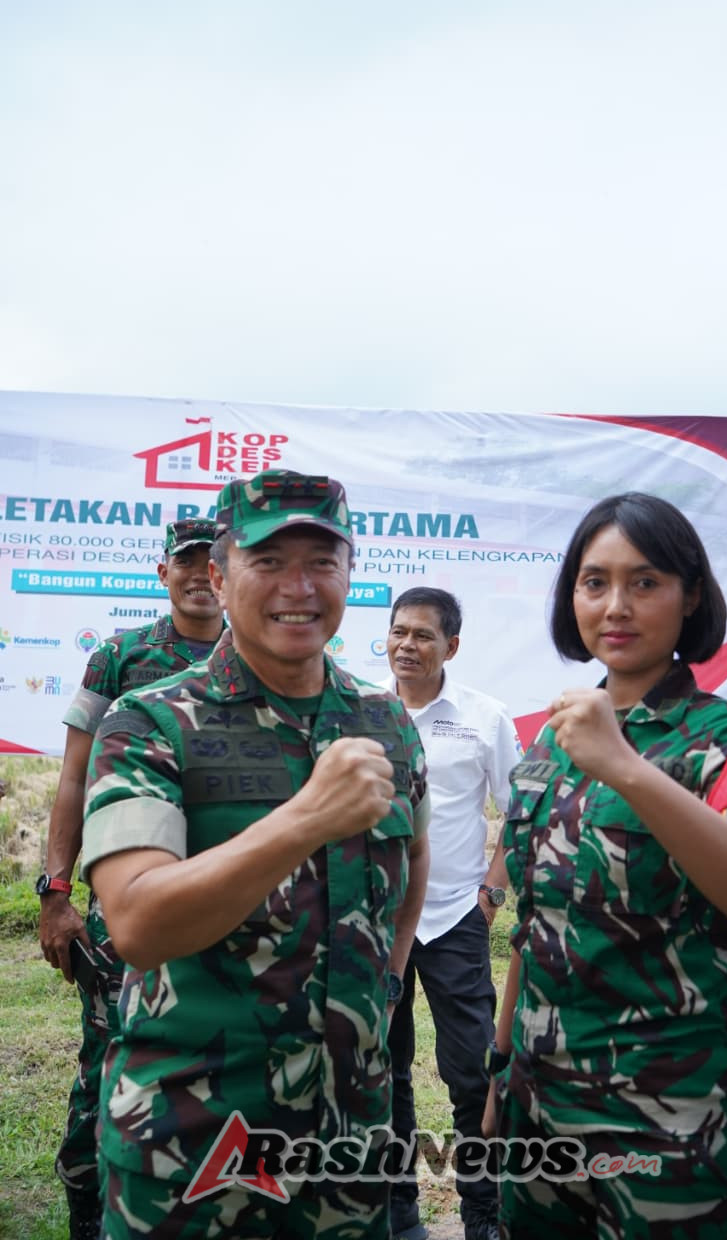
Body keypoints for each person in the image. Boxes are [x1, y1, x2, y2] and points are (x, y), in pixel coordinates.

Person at [79, 469, 430, 1240]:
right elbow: (137, 923)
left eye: (320, 562)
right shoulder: (148, 724)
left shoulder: (385, 720)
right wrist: (303, 817)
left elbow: (410, 874)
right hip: (193, 1146)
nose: (297, 587)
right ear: (219, 573)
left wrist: (388, 980)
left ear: (349, 573)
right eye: (268, 561)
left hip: (349, 1142)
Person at [484, 491, 727, 1240]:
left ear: (690, 596)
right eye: (594, 582)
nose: (615, 606)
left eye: (646, 581)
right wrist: (503, 1069)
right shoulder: (549, 742)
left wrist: (627, 768)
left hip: (675, 1119)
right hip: (542, 1111)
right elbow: (537, 927)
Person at [38, 517, 225, 1240]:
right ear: (163, 572)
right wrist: (55, 893)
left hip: (227, 902)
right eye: (185, 561)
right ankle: (88, 1203)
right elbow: (74, 778)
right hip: (127, 903)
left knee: (214, 1060)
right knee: (109, 1053)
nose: (197, 573)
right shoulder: (120, 658)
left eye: (211, 561)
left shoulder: (260, 656)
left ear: (226, 575)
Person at [382, 587, 520, 1240]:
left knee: (471, 1073)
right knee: (384, 1070)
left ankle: (482, 1218)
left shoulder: (483, 716)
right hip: (376, 926)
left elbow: (519, 814)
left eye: (422, 636)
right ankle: (398, 1213)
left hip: (453, 922)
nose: (406, 645)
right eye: (398, 632)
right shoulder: (364, 712)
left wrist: (489, 895)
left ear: (451, 647)